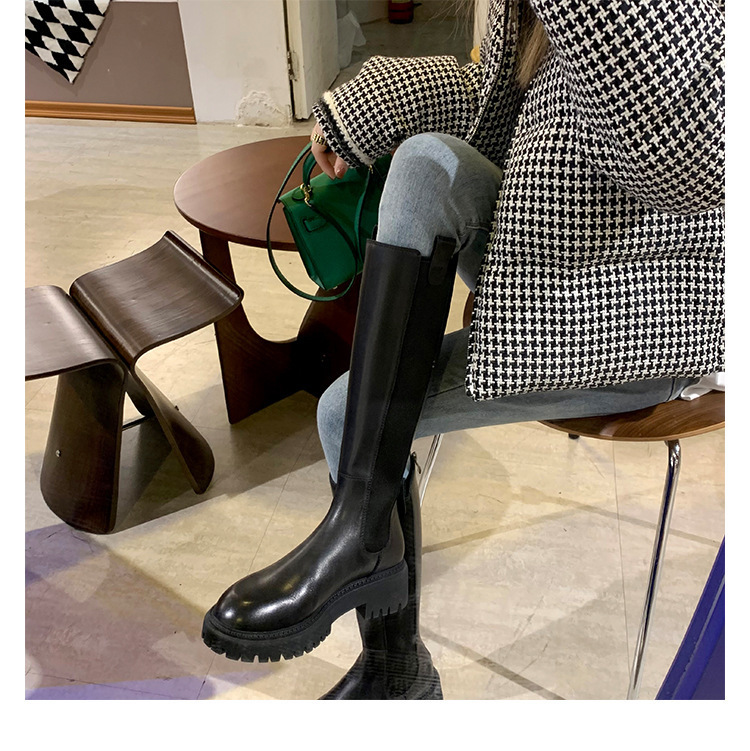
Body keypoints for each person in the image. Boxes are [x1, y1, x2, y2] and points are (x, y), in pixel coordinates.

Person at [201, 0, 725, 700]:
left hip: (656, 306)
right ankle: (366, 550)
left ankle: (394, 667)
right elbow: (495, 100)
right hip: (559, 249)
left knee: (344, 415)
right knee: (425, 162)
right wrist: (364, 106)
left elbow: (690, 157)